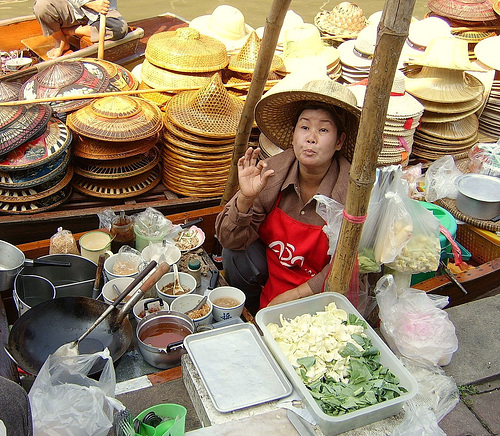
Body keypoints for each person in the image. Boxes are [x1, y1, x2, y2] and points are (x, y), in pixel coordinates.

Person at [215, 79, 361, 313]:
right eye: (304, 128)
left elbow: (350, 263)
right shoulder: (272, 172)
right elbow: (227, 239)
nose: (311, 138)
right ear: (293, 135)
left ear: (339, 141)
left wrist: (293, 297)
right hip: (275, 272)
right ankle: (249, 302)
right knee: (233, 253)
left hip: (322, 288)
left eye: (323, 130)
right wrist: (245, 198)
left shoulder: (351, 192)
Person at [33, 0, 128, 59]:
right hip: (73, 8)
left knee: (119, 29)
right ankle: (61, 41)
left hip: (103, 10)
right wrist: (88, 3)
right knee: (42, 6)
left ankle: (69, 31)